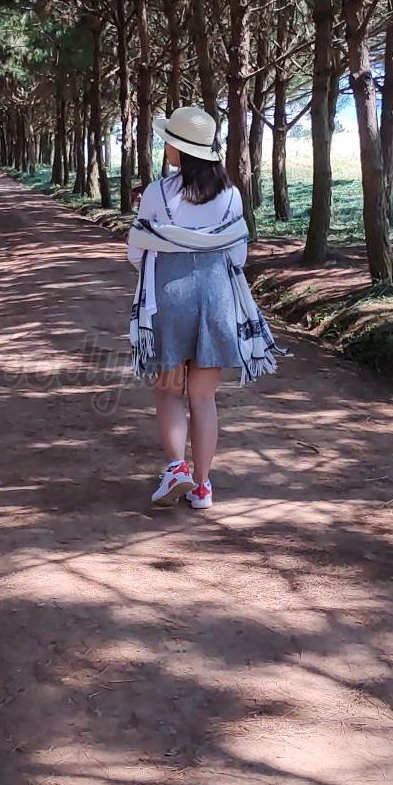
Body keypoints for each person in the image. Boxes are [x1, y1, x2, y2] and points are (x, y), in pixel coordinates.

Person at [126, 105, 278, 510]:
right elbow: (238, 257)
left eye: (168, 142)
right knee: (204, 398)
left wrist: (168, 266)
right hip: (217, 300)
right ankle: (203, 486)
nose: (165, 148)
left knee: (168, 392)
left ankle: (177, 467)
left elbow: (135, 254)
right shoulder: (231, 196)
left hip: (169, 299)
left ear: (180, 148)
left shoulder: (157, 193)